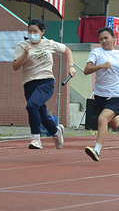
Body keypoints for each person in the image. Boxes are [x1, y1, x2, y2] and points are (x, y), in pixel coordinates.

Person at [13, 18, 75, 149]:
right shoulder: (22, 45)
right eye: (30, 31)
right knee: (42, 114)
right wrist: (25, 54)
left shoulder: (49, 43)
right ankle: (56, 132)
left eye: (35, 31)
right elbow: (15, 66)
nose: (32, 34)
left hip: (46, 81)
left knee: (31, 106)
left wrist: (71, 66)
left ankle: (36, 138)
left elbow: (67, 50)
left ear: (42, 32)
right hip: (29, 83)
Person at [83, 27, 119, 161]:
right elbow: (87, 70)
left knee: (102, 119)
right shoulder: (96, 52)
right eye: (101, 39)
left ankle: (96, 150)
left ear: (114, 38)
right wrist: (100, 66)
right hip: (101, 93)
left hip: (118, 92)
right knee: (114, 124)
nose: (104, 41)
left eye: (106, 38)